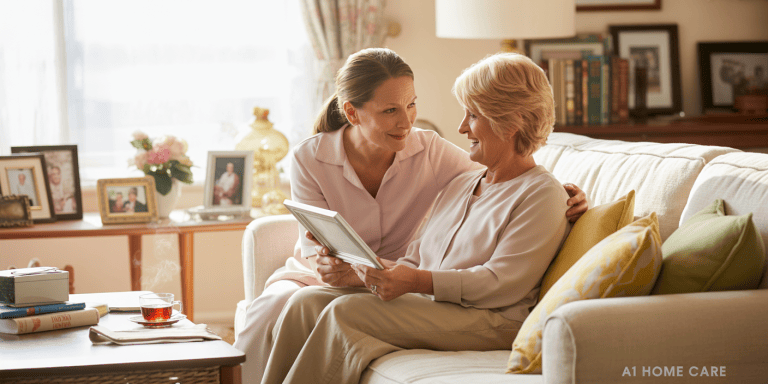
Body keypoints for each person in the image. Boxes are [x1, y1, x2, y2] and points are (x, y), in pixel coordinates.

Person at [233, 48, 589, 383]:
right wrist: (386, 276)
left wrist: (561, 193)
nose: (462, 128)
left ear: (510, 122)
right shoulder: (463, 184)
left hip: (491, 317)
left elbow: (501, 284)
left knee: (344, 314)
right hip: (430, 300)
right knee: (304, 303)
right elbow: (413, 257)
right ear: (353, 113)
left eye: (473, 115)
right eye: (391, 110)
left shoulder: (539, 192)